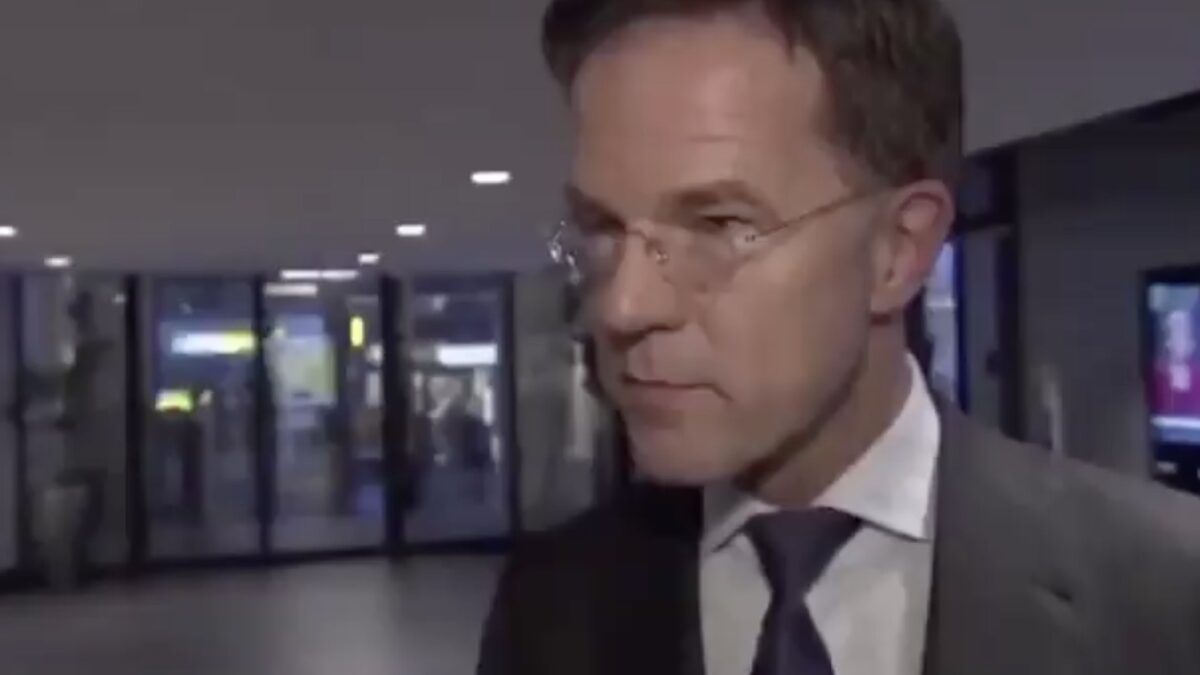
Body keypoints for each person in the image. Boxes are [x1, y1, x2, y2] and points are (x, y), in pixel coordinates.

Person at [478, 1, 1200, 674]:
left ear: (898, 249)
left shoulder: (1168, 589)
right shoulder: (551, 603)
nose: (624, 304)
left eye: (718, 225)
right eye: (603, 227)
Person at [1154, 308, 1200, 417]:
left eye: (1187, 334)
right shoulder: (1157, 373)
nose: (1186, 341)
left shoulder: (1197, 373)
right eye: (1177, 333)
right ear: (1167, 341)